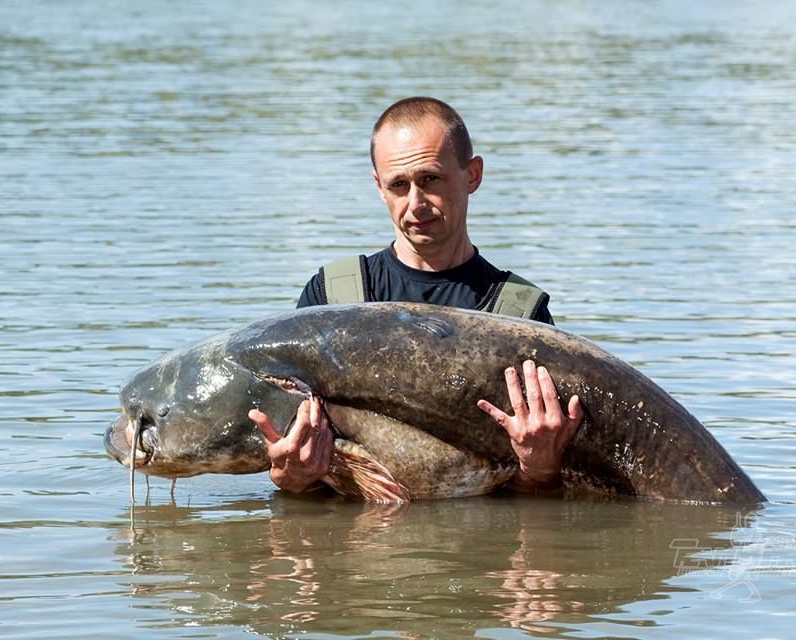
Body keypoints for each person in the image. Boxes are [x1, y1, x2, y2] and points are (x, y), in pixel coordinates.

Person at [248, 97, 584, 496]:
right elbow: (300, 474)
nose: (416, 204)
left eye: (431, 180)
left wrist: (540, 469)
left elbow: (546, 495)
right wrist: (290, 478)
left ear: (472, 175)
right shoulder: (332, 297)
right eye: (399, 185)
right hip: (360, 549)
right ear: (379, 187)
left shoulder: (521, 312)